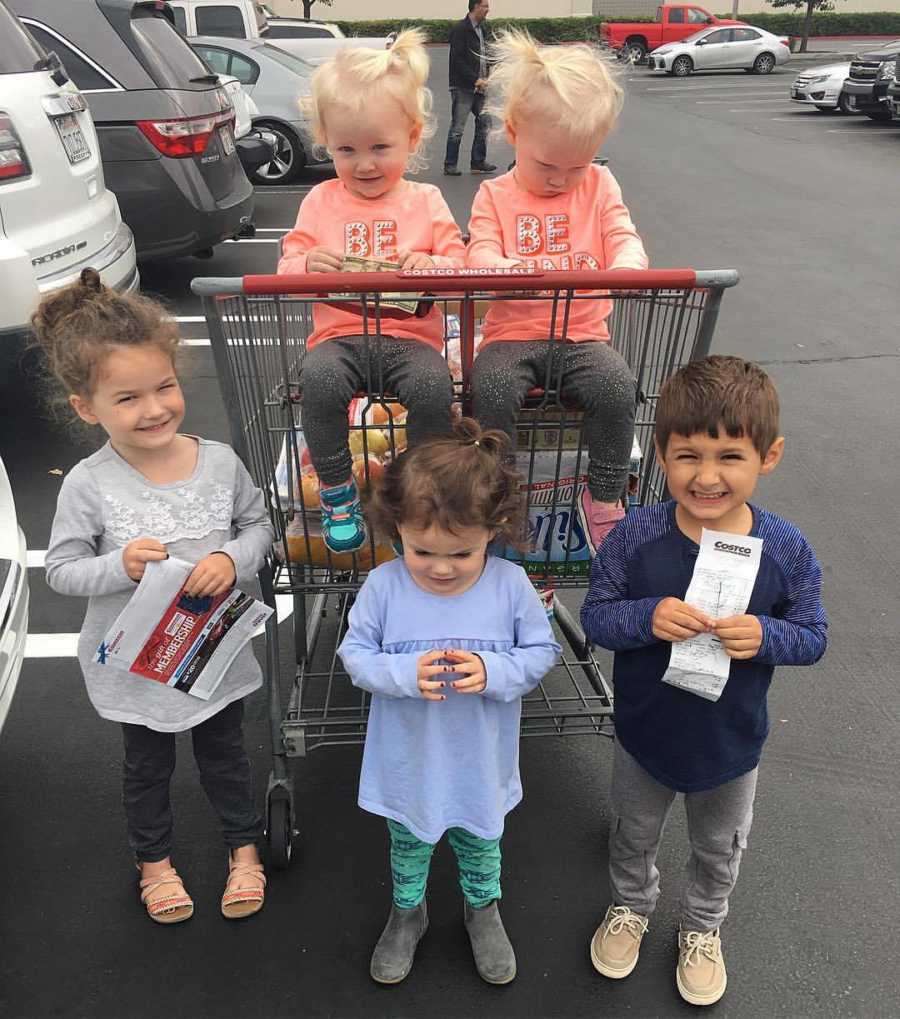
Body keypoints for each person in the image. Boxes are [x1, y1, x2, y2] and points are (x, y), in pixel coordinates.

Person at [580, 356, 827, 1006]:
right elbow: (597, 617)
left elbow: (813, 634)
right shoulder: (635, 538)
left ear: (768, 456)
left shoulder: (787, 550)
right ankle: (631, 906)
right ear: (660, 451)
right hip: (645, 735)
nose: (708, 475)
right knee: (632, 833)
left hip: (730, 745)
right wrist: (648, 616)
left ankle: (702, 926)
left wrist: (766, 635)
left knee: (718, 849)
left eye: (730, 455)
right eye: (688, 454)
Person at [40, 269, 274, 926]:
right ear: (87, 407)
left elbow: (258, 526)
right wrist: (119, 565)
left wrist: (231, 557)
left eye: (164, 386)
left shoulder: (219, 461)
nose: (154, 408)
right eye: (127, 397)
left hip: (211, 652)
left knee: (226, 753)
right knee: (146, 765)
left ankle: (243, 846)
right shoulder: (89, 483)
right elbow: (61, 569)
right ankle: (154, 862)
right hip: (140, 662)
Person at [338, 419, 560, 985]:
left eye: (461, 553)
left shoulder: (509, 586)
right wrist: (402, 672)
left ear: (496, 530)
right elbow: (355, 655)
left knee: (481, 841)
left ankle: (482, 908)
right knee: (408, 843)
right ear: (396, 530)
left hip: (478, 763)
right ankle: (407, 911)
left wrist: (492, 670)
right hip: (407, 761)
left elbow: (540, 652)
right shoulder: (384, 587)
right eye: (421, 550)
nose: (440, 567)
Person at [278, 30, 465, 554]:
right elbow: (287, 269)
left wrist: (433, 263)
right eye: (346, 150)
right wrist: (305, 264)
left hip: (412, 340)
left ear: (412, 135)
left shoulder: (425, 201)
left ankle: (420, 488)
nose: (364, 164)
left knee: (432, 389)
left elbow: (461, 268)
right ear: (326, 142)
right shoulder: (320, 201)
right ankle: (337, 490)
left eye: (380, 148)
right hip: (339, 338)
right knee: (317, 380)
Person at [466, 31, 648, 552]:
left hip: (582, 335)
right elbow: (479, 253)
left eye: (577, 166)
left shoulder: (600, 186)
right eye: (547, 166)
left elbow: (620, 233)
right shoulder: (494, 195)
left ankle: (606, 493)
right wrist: (507, 270)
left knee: (618, 386)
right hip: (513, 334)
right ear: (513, 132)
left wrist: (629, 265)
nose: (562, 180)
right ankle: (500, 492)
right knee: (493, 388)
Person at [443, 0, 496, 176]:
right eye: (485, 6)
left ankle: (478, 162)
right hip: (463, 86)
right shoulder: (460, 29)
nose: (488, 10)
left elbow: (485, 54)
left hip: (480, 86)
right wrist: (475, 79)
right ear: (475, 7)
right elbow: (456, 60)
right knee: (458, 127)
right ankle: (450, 164)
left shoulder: (483, 29)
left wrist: (493, 68)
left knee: (485, 123)